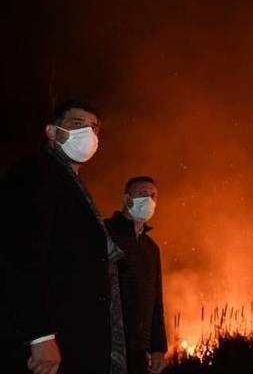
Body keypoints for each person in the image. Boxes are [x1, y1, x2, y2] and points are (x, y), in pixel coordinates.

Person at [1, 100, 127, 374]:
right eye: (78, 124)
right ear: (51, 131)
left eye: (94, 128)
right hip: (55, 343)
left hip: (76, 337)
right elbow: (19, 256)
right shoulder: (34, 174)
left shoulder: (70, 183)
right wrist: (40, 335)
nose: (89, 134)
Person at [105, 177, 167, 374]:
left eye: (153, 195)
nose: (149, 199)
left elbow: (156, 300)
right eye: (142, 194)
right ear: (126, 199)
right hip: (106, 342)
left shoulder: (151, 248)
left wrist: (157, 348)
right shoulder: (104, 232)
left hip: (138, 347)